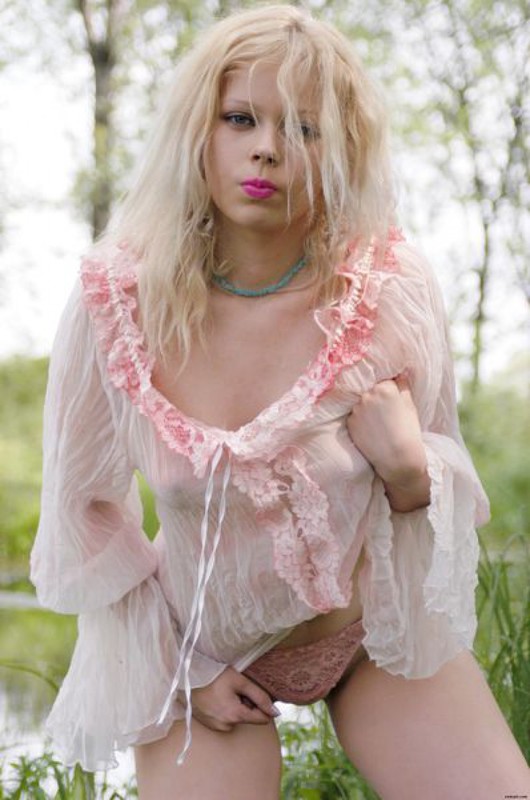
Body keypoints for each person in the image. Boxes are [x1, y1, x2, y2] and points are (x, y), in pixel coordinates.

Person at [31, 4, 529, 799]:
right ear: (198, 130)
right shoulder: (117, 303)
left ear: (344, 149)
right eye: (241, 119)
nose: (267, 147)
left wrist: (409, 471)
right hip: (205, 655)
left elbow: (436, 481)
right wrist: (183, 671)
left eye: (304, 128)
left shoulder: (387, 289)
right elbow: (82, 513)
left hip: (369, 634)